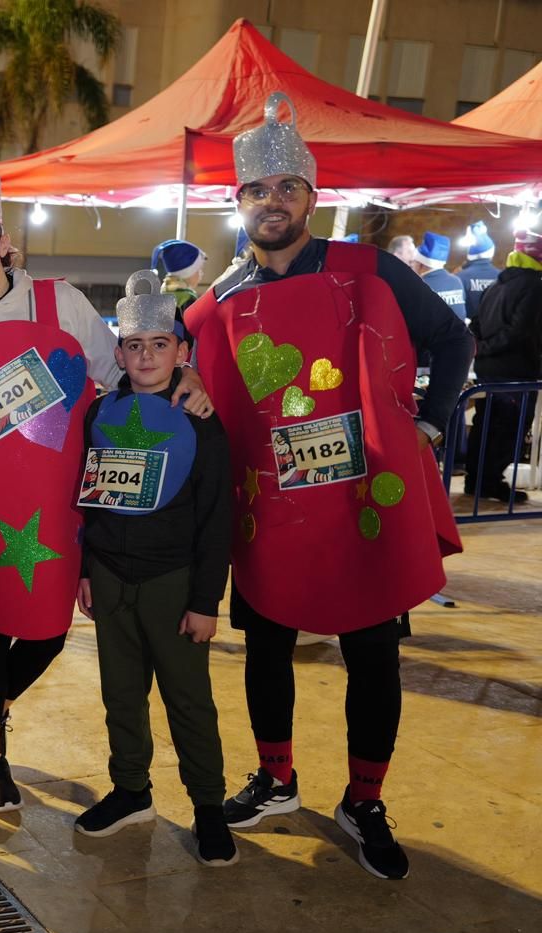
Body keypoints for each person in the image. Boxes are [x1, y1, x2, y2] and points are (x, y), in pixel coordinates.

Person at [183, 93, 467, 880]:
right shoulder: (218, 302)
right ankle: (276, 781)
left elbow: (453, 337)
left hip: (359, 502)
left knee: (372, 655)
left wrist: (431, 426)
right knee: (267, 647)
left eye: (286, 189)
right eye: (255, 190)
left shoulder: (366, 269)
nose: (271, 203)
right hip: (271, 509)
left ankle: (364, 801)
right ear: (236, 201)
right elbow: (172, 369)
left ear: (311, 197)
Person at [0, 141, 213, 814]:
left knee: (47, 630)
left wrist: (184, 375)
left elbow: (121, 379)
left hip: (61, 507)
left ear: (4, 239)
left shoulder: (61, 301)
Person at [72, 272, 235, 866]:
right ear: (118, 352)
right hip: (112, 577)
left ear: (181, 352)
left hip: (174, 582)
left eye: (159, 344)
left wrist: (205, 601)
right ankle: (131, 790)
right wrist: (88, 566)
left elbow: (218, 516)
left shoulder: (201, 418)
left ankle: (209, 807)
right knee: (121, 693)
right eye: (134, 345)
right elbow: (90, 498)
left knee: (189, 699)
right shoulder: (99, 412)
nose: (145, 355)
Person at [464, 227, 542, 504]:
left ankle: (476, 480)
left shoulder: (497, 284)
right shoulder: (535, 285)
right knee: (510, 430)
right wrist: (488, 347)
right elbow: (520, 330)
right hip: (516, 371)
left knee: (485, 425)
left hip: (488, 370)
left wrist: (481, 350)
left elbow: (475, 325)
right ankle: (489, 482)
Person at [407, 232, 468, 332]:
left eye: (413, 262)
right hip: (461, 343)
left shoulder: (417, 287)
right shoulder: (456, 281)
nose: (411, 265)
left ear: (421, 264)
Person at [457, 221, 502, 323]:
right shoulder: (502, 276)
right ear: (491, 253)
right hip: (497, 331)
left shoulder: (460, 277)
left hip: (471, 331)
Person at [150, 238, 206, 311]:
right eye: (198, 270)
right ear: (188, 273)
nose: (201, 274)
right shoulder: (187, 298)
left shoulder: (163, 290)